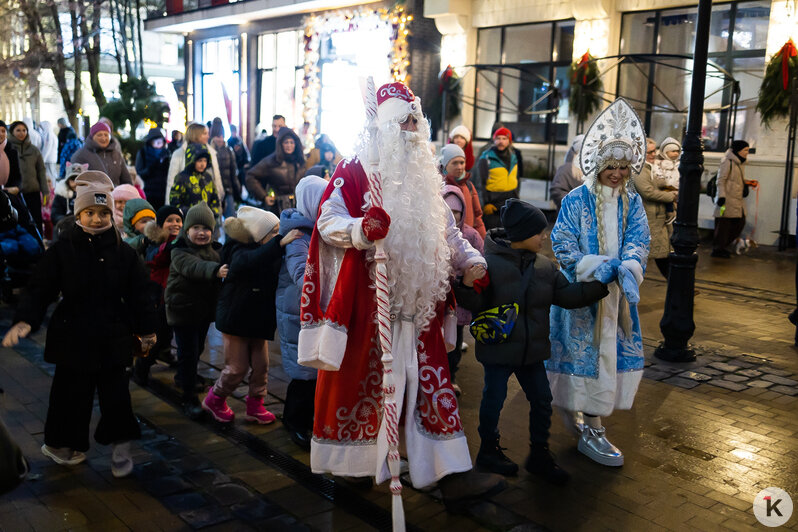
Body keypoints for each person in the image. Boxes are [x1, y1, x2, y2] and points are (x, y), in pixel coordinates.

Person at [297, 81, 505, 509]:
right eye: (403, 120)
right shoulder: (355, 170)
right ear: (385, 126)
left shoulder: (427, 175)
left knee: (432, 389)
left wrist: (470, 261)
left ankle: (449, 474)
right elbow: (327, 222)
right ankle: (354, 468)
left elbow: (447, 232)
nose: (411, 128)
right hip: (371, 310)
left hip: (419, 307)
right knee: (363, 392)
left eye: (416, 119)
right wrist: (359, 229)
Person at [2, 171, 158, 478]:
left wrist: (148, 329)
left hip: (113, 336)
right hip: (73, 336)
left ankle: (120, 446)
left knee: (117, 397)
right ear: (78, 215)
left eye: (103, 212)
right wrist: (24, 321)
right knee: (70, 397)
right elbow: (40, 288)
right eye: (90, 212)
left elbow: (141, 293)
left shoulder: (124, 254)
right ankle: (64, 446)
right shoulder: (62, 251)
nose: (97, 219)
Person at [455, 199, 608, 483]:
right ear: (522, 235)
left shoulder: (545, 267)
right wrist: (464, 285)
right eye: (539, 232)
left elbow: (567, 296)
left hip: (533, 351)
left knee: (541, 399)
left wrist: (600, 286)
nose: (544, 236)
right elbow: (475, 303)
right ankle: (488, 451)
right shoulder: (488, 264)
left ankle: (539, 455)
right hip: (499, 349)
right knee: (493, 399)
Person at [547, 99, 650, 467]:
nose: (618, 173)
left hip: (617, 297)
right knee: (582, 357)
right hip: (582, 296)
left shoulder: (632, 202)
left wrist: (629, 266)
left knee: (608, 358)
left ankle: (593, 420)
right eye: (612, 166)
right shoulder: (576, 200)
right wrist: (594, 267)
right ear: (599, 165)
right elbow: (562, 242)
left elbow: (640, 238)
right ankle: (588, 424)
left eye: (624, 167)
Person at [202, 207, 303, 424]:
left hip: (258, 320)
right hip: (236, 319)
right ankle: (215, 399)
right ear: (258, 234)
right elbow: (246, 262)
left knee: (261, 366)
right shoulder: (238, 250)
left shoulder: (270, 251)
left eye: (279, 231)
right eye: (273, 232)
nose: (278, 235)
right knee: (236, 368)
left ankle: (255, 405)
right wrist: (280, 244)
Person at [276, 175, 328, 450]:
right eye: (322, 202)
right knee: (303, 372)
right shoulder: (297, 235)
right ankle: (294, 422)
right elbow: (300, 274)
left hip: (312, 310)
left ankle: (306, 419)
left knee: (313, 369)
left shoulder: (318, 230)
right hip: (296, 310)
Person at [165, 201, 226, 419]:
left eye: (206, 229)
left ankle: (184, 378)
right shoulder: (179, 251)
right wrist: (217, 270)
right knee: (188, 353)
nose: (202, 233)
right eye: (196, 228)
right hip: (182, 310)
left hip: (201, 311)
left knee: (196, 348)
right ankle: (188, 397)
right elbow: (194, 267)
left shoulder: (216, 250)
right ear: (187, 230)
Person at [132, 205, 185, 384]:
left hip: (176, 295)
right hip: (159, 295)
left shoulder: (183, 240)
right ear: (161, 224)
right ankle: (141, 366)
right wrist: (169, 246)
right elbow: (154, 259)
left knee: (171, 335)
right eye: (170, 220)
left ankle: (182, 373)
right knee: (156, 335)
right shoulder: (156, 242)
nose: (175, 224)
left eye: (178, 220)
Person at [442, 184, 484, 394]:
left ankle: (451, 377)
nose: (452, 216)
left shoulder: (471, 236)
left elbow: (480, 262)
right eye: (447, 211)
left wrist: (470, 275)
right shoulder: (432, 234)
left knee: (455, 341)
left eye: (456, 212)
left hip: (459, 301)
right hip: (438, 299)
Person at [634, 138, 678, 278]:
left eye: (655, 151)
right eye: (650, 152)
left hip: (657, 216)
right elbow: (648, 192)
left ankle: (677, 285)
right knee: (658, 254)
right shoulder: (639, 170)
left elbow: (660, 185)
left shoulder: (652, 168)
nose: (654, 154)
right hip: (649, 217)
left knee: (662, 254)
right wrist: (671, 196)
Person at [245, 127, 305, 214]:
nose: (289, 145)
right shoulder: (271, 161)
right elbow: (250, 176)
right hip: (276, 208)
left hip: (297, 207)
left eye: (292, 142)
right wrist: (264, 196)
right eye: (286, 142)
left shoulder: (300, 161)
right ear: (281, 144)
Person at [165, 123, 224, 207]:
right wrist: (171, 209)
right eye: (204, 133)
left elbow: (216, 179)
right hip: (187, 207)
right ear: (195, 135)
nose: (208, 136)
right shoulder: (179, 153)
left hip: (209, 205)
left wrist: (218, 201)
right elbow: (171, 182)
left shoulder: (210, 152)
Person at [7, 121, 48, 233]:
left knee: (36, 221)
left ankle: (38, 247)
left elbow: (41, 171)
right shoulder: (8, 149)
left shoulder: (34, 150)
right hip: (15, 194)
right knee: (19, 222)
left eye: (24, 130)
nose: (21, 133)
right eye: (18, 130)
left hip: (33, 192)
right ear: (12, 132)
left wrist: (45, 191)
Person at [476, 127, 520, 230]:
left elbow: (516, 178)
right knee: (493, 234)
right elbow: (480, 182)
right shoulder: (486, 158)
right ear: (494, 140)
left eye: (504, 138)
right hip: (493, 203)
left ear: (509, 141)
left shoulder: (514, 157)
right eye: (498, 138)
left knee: (509, 233)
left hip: (510, 201)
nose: (501, 141)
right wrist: (485, 203)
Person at [712, 140, 750, 258]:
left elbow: (736, 179)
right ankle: (719, 249)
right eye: (745, 150)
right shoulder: (727, 162)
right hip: (726, 199)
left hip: (736, 199)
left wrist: (747, 183)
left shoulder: (739, 163)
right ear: (738, 150)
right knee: (723, 224)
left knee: (739, 222)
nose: (747, 153)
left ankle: (722, 246)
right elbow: (721, 180)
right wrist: (721, 196)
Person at [440, 143, 486, 238]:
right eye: (455, 163)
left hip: (468, 239)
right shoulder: (438, 187)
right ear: (445, 165)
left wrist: (482, 239)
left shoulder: (469, 186)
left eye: (462, 162)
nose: (460, 167)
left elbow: (477, 217)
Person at [70, 122, 132, 187]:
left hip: (116, 195)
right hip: (91, 195)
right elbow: (75, 182)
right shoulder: (80, 155)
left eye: (106, 135)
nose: (103, 138)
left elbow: (126, 179)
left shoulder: (116, 154)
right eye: (99, 135)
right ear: (92, 137)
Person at [169, 144, 221, 220]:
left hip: (207, 221)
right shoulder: (182, 178)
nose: (203, 164)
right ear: (191, 160)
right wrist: (191, 213)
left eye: (205, 161)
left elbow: (215, 197)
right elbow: (175, 201)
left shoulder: (207, 177)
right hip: (188, 222)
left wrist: (213, 212)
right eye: (199, 161)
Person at [209, 118, 240, 218]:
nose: (220, 139)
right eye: (218, 136)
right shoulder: (209, 150)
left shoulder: (229, 150)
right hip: (212, 191)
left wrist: (237, 189)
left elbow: (233, 172)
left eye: (222, 136)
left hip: (227, 189)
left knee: (231, 221)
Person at [135, 128, 171, 211]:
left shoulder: (166, 153)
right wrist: (156, 163)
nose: (159, 144)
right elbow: (140, 173)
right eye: (156, 141)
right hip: (148, 192)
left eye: (160, 141)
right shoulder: (143, 153)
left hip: (163, 192)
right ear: (150, 142)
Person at [550, 135, 585, 209]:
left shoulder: (595, 169)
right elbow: (557, 191)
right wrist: (576, 204)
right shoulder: (566, 169)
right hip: (570, 216)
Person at [652, 137, 680, 224]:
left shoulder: (679, 164)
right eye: (673, 151)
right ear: (665, 152)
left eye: (677, 151)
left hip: (677, 192)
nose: (676, 153)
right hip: (666, 191)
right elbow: (658, 178)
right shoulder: (658, 164)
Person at [0, 121, 23, 199]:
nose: (0, 134)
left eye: (3, 131)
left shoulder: (13, 150)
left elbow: (20, 175)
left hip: (10, 194)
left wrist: (17, 187)